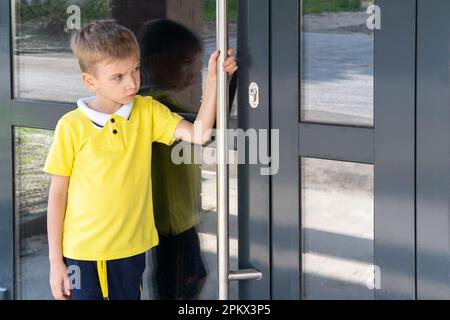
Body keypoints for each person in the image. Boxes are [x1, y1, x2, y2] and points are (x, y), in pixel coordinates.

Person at [44, 19, 237, 300]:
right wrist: (55, 261)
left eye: (135, 69)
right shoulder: (71, 126)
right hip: (84, 253)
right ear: (90, 81)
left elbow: (201, 132)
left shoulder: (147, 112)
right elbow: (58, 194)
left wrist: (213, 80)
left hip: (132, 250)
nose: (132, 82)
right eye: (118, 76)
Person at [138, 19, 237, 300]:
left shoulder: (155, 101)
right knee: (181, 287)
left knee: (187, 281)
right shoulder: (158, 105)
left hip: (177, 219)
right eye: (187, 64)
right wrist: (223, 82)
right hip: (173, 222)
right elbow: (206, 131)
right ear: (158, 62)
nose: (193, 74)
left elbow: (209, 128)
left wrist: (226, 82)